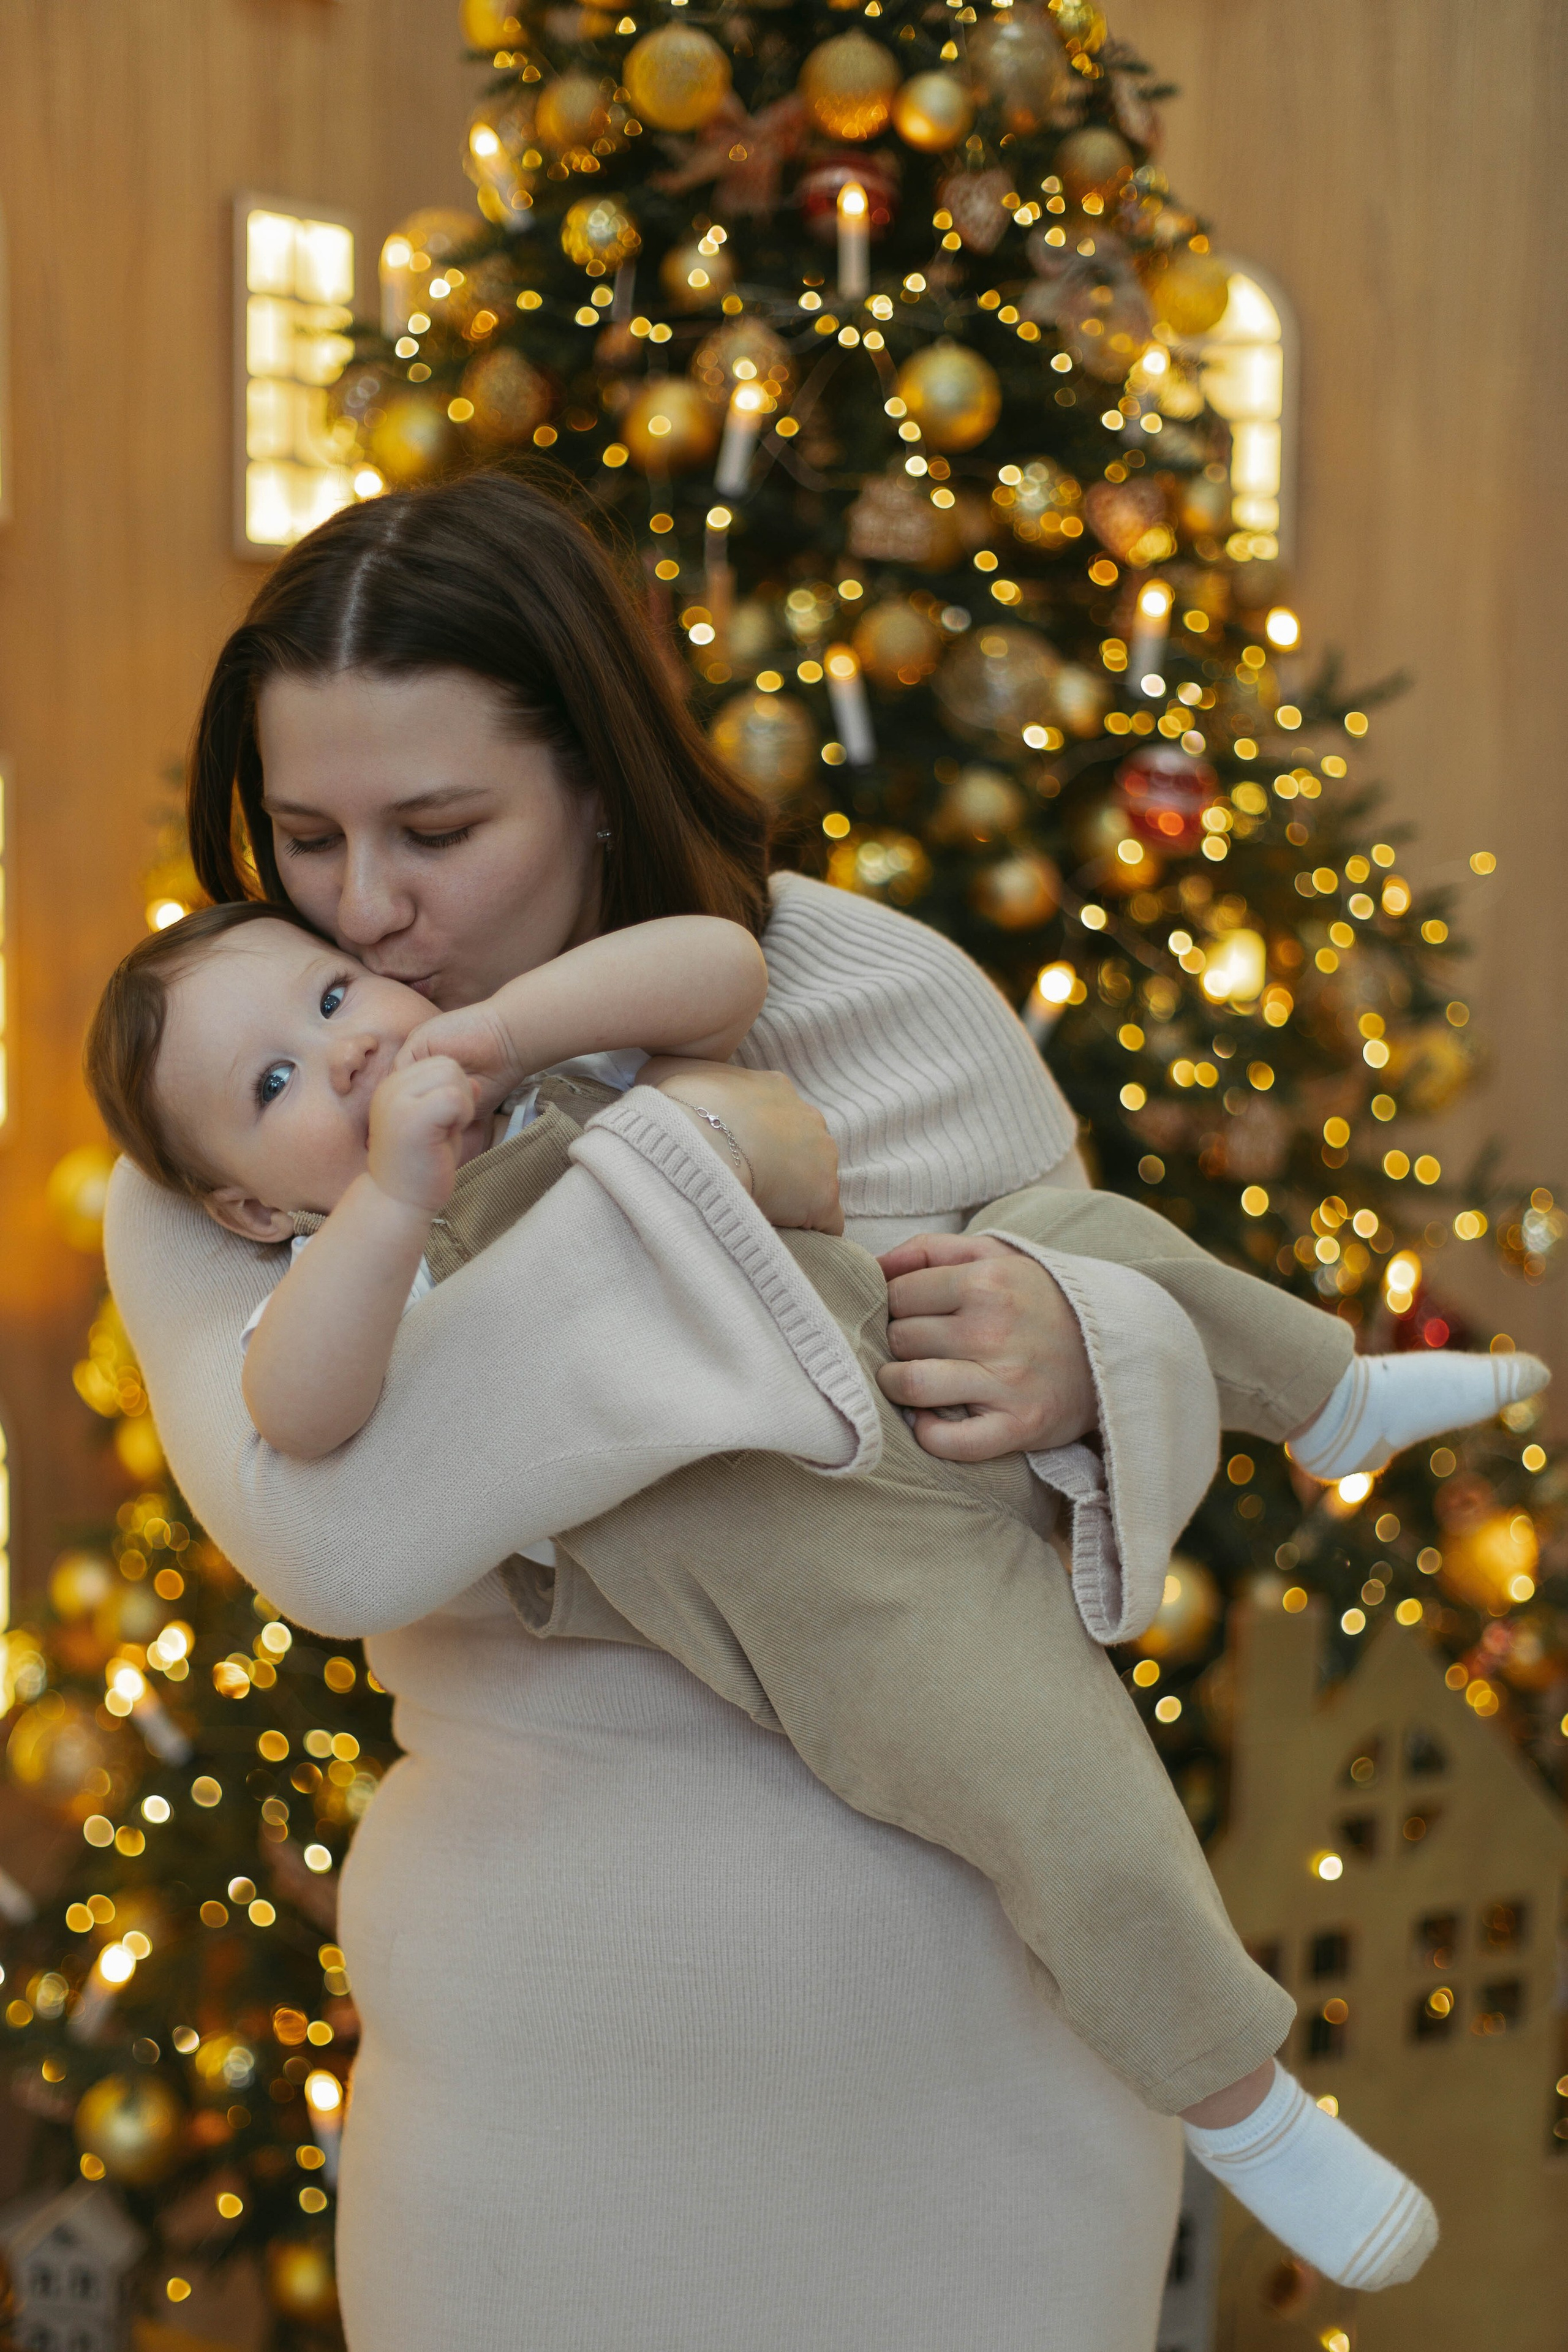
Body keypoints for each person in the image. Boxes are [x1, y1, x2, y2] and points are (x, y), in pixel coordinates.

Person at [93, 474, 1409, 2348]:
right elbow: (336, 1531)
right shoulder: (231, 1131)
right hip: (539, 2119)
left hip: (983, 2101)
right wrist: (683, 1159)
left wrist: (1085, 1349)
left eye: (437, 829)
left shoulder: (876, 1001)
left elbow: (1115, 1425)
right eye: (308, 837)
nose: (367, 913)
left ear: (598, 783)